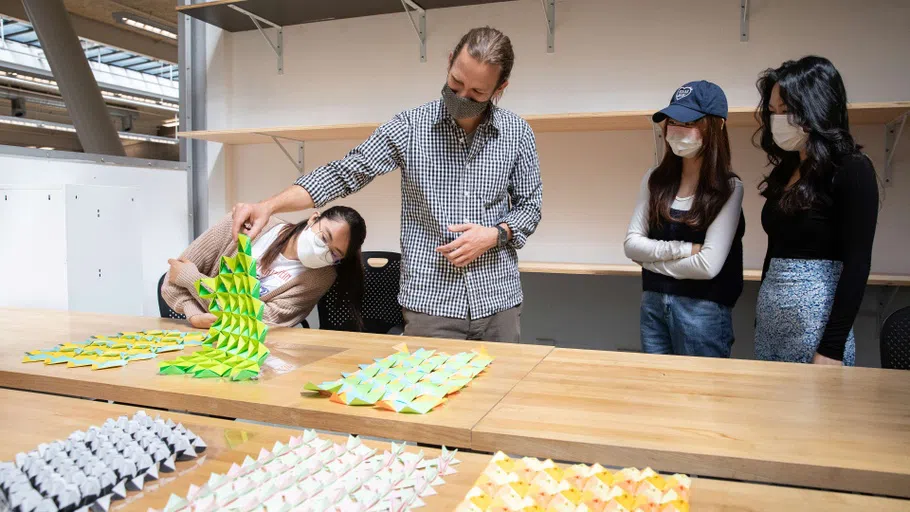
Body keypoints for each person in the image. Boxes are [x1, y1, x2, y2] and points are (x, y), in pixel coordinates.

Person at [230, 27, 543, 342]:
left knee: (499, 391)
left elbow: (530, 207)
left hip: (498, 302)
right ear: (449, 62)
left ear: (500, 88)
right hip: (431, 306)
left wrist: (494, 235)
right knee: (429, 392)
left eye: (476, 93)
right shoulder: (409, 127)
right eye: (456, 82)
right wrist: (268, 206)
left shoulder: (517, 133)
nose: (462, 97)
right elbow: (345, 172)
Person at [753, 56, 879, 366]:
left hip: (816, 332)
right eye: (773, 112)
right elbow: (775, 248)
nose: (778, 120)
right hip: (770, 326)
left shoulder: (852, 168)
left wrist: (832, 348)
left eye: (787, 112)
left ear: (816, 110)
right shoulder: (787, 170)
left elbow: (858, 263)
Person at [624, 81, 745, 357]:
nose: (677, 130)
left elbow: (707, 266)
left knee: (701, 396)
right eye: (673, 121)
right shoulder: (654, 180)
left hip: (703, 312)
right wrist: (685, 250)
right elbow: (631, 245)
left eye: (688, 122)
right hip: (653, 307)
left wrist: (650, 262)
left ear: (716, 126)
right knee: (658, 393)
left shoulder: (729, 187)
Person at [161, 206, 367, 329]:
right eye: (324, 237)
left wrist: (194, 281)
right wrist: (194, 315)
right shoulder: (245, 226)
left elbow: (262, 319)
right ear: (314, 219)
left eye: (334, 253)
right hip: (197, 340)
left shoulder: (320, 277)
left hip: (252, 354)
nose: (322, 251)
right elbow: (173, 278)